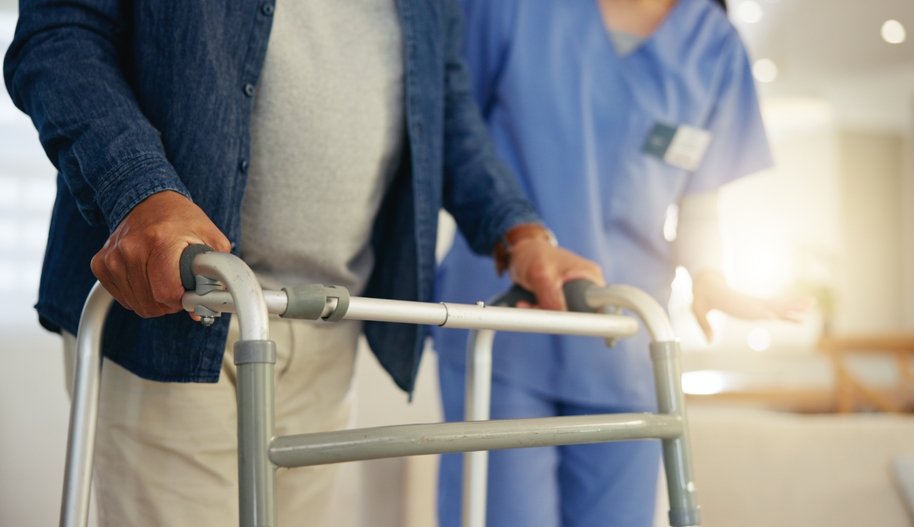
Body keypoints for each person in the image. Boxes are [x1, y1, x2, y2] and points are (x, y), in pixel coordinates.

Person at [3, 0, 604, 525]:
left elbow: (443, 102)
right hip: (188, 309)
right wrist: (140, 191)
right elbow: (60, 32)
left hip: (326, 320)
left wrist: (519, 233)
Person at [433, 0, 810, 526]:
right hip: (504, 321)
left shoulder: (714, 45)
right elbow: (453, 132)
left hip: (624, 338)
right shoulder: (514, 8)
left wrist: (709, 277)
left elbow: (699, 203)